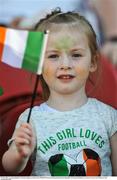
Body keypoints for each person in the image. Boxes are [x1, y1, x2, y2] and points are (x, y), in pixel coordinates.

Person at [2, 9, 117, 176]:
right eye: (53, 56)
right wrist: (19, 154)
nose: (65, 64)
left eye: (76, 55)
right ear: (39, 64)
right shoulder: (30, 119)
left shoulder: (109, 116)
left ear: (93, 62)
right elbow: (9, 167)